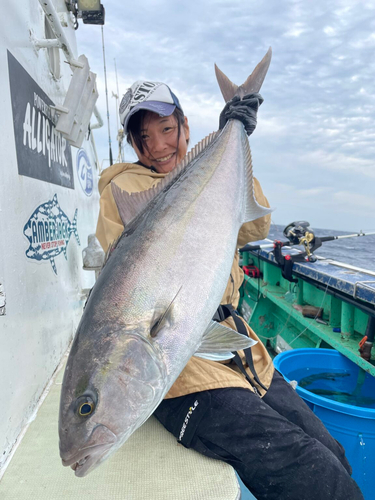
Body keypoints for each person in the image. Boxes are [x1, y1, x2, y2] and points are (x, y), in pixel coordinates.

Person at [96, 80, 363, 500]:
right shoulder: (123, 188)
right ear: (133, 145)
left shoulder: (210, 177)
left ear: (186, 126)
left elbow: (253, 226)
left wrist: (233, 136)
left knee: (332, 452)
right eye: (143, 137)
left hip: (235, 344)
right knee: (310, 470)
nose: (158, 147)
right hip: (178, 365)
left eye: (166, 129)